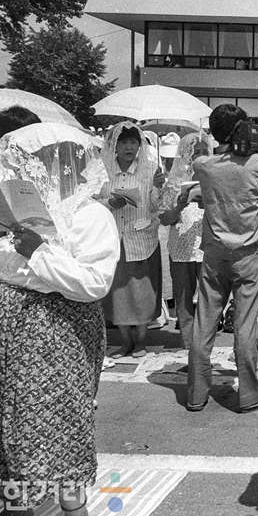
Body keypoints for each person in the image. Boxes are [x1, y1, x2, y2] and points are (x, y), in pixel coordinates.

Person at [0, 123, 120, 516]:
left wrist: (39, 252)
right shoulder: (23, 211)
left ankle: (74, 510)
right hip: (5, 325)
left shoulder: (91, 215)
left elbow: (94, 282)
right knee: (3, 419)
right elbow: (2, 266)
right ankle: (17, 503)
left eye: (34, 162)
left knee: (58, 419)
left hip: (57, 330)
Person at [188, 104, 258, 412]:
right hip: (248, 256)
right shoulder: (257, 163)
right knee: (245, 325)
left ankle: (196, 393)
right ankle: (249, 394)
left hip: (213, 255)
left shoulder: (203, 165)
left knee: (204, 323)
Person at [101, 122, 162, 358]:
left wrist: (158, 188)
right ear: (114, 146)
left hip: (142, 240)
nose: (129, 147)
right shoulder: (102, 172)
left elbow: (157, 208)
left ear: (139, 146)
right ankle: (125, 341)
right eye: (124, 142)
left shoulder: (150, 170)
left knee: (142, 292)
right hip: (114, 239)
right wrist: (110, 203)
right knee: (118, 294)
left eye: (133, 142)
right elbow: (89, 202)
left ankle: (141, 342)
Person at [157, 132, 211, 348]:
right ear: (186, 155)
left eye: (204, 151)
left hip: (208, 247)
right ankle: (188, 342)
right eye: (194, 152)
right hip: (180, 248)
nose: (199, 156)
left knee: (209, 298)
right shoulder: (174, 182)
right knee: (183, 297)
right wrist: (180, 204)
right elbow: (164, 219)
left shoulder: (215, 178)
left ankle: (205, 340)